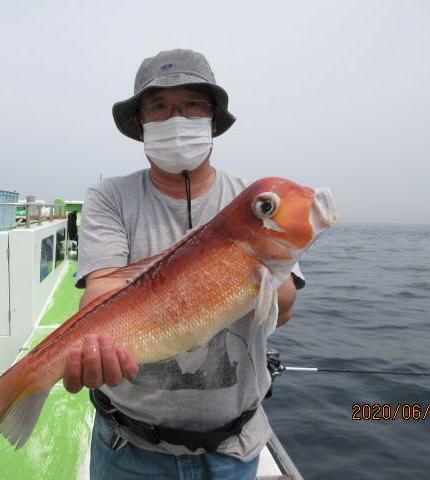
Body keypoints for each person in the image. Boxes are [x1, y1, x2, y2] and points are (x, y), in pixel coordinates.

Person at [63, 48, 305, 480]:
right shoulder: (110, 197)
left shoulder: (253, 201)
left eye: (192, 104)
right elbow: (102, 290)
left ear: (212, 119)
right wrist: (96, 345)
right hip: (127, 446)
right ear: (141, 124)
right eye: (159, 106)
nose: (176, 118)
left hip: (233, 448)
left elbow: (282, 310)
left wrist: (266, 259)